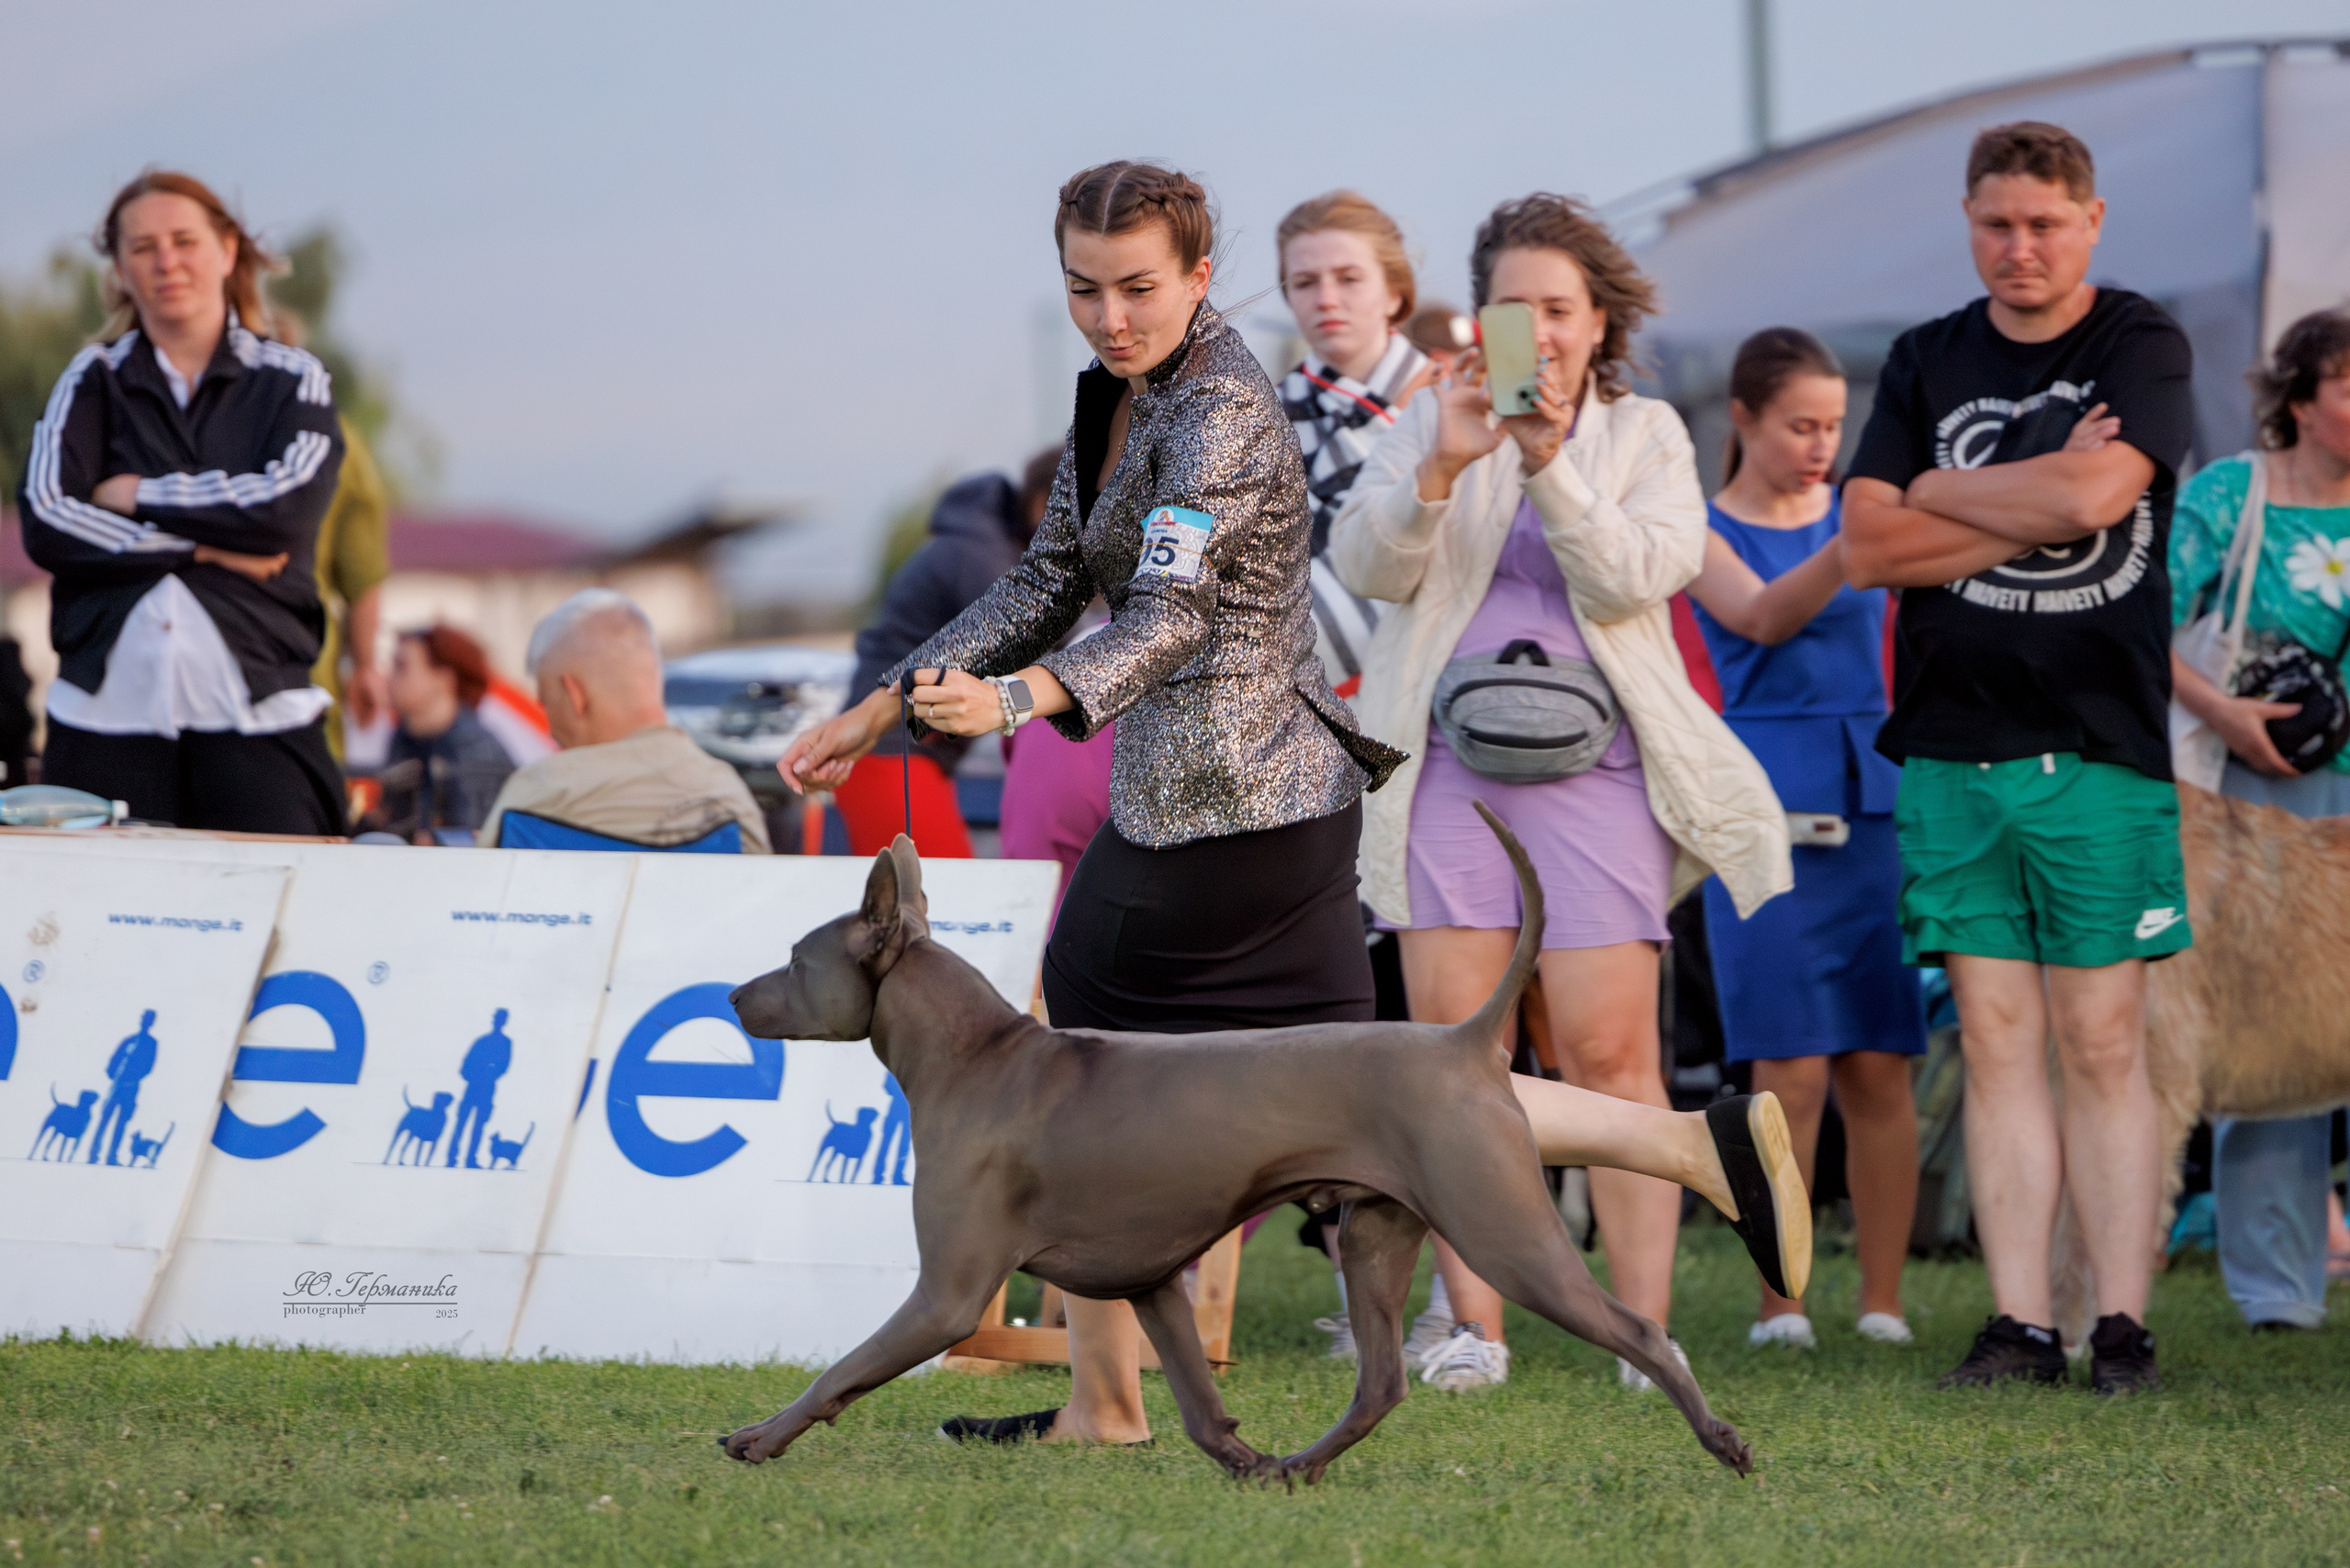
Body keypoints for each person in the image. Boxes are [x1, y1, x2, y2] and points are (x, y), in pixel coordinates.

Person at [778, 162, 1807, 1443]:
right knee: (1407, 1081)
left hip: (1214, 817)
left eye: (1140, 287)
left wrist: (1018, 701)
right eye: (1085, 290)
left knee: (1084, 1086)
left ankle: (1108, 1410)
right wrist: (884, 702)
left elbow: (1165, 615)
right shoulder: (1118, 394)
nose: (1110, 317)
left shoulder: (1213, 410)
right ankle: (1690, 1147)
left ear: (1203, 277)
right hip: (1274, 812)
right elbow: (1048, 575)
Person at [1345, 193, 1797, 1397]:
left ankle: (1638, 1328)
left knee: (1614, 1060)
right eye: (1513, 309)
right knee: (1457, 1060)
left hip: (1600, 779)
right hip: (1448, 771)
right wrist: (1443, 462)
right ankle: (1472, 1324)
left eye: (1559, 309)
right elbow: (1365, 565)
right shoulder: (1424, 418)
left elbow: (1643, 574)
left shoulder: (1644, 432)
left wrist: (1548, 461)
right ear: (1476, 318)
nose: (1536, 332)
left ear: (1599, 323)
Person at [1841, 122, 2196, 1395]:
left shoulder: (2140, 340)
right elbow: (1868, 548)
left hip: (2097, 749)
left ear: (2091, 220)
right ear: (1968, 218)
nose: (2021, 246)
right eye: (1998, 221)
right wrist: (2044, 482)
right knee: (1992, 1042)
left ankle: (2121, 1329)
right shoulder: (1928, 356)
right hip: (1951, 750)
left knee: (2103, 1041)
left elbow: (2100, 508)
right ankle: (2020, 1325)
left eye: (2046, 222)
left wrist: (1940, 489)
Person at [1684, 328, 1925, 1350]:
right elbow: (1766, 619)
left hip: (1877, 799)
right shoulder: (1692, 529)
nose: (1822, 447)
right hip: (1756, 805)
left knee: (1881, 1061)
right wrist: (1860, 538)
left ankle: (1883, 1302)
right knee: (1787, 1070)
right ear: (1740, 418)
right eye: (1800, 426)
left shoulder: (1858, 518)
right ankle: (1779, 1301)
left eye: (1835, 427)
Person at [18, 170, 346, 834]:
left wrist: (137, 494)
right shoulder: (90, 380)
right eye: (142, 247)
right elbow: (48, 517)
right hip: (104, 718)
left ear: (227, 251)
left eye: (183, 240)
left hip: (260, 715)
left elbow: (286, 509)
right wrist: (200, 546)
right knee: (96, 929)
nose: (166, 261)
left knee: (278, 924)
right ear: (118, 269)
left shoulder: (292, 379)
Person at [2168, 308, 2350, 1332]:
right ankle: (2277, 1291)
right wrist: (2221, 711)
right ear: (2298, 399)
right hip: (2250, 799)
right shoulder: (2230, 495)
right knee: (2265, 1034)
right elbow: (2137, 627)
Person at [836, 450, 1061, 857]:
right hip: (892, 756)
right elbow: (1043, 657)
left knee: (937, 901)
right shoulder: (983, 561)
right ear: (1045, 504)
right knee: (944, 904)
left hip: (898, 754)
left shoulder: (982, 549)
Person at [1274, 191, 1437, 700]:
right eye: (1305, 282)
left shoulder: (1455, 407)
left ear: (1394, 292)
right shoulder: (1258, 417)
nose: (1325, 298)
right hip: (1302, 705)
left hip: (1437, 675)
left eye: (1348, 278)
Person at [479, 588, 769, 851]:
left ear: (574, 695)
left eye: (546, 703)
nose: (551, 729)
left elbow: (484, 898)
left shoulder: (534, 794)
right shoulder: (730, 800)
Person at [365, 624, 514, 843]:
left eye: (401, 666)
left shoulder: (474, 749)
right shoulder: (403, 736)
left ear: (443, 679)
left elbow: (468, 844)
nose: (389, 677)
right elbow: (394, 821)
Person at [91, 1009, 160, 1168]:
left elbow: (149, 1065)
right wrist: (114, 1074)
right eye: (143, 1018)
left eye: (148, 1019)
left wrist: (134, 1076)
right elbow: (115, 1058)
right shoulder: (129, 1040)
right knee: (104, 1119)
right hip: (117, 1084)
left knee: (121, 1122)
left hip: (131, 1087)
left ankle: (112, 1156)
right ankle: (94, 1154)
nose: (145, 1021)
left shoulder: (151, 1043)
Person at [448, 1008, 513, 1170]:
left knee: (479, 1126)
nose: (498, 1021)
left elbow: (503, 1066)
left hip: (487, 1088)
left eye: (501, 1018)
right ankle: (452, 1157)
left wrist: (490, 1074)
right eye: (497, 1018)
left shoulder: (506, 1043)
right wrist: (475, 1075)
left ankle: (470, 1158)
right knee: (461, 1122)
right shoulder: (481, 1041)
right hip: (473, 1087)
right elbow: (465, 1064)